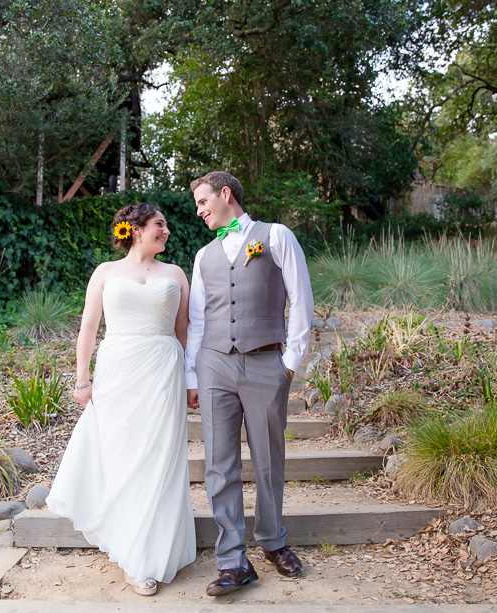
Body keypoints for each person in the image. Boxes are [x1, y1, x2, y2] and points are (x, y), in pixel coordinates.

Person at [46, 203, 196, 597]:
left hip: (163, 370)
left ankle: (149, 554)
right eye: (160, 224)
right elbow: (88, 328)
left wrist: (190, 378)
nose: (167, 231)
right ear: (136, 228)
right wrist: (82, 381)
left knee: (159, 458)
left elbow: (185, 332)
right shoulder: (106, 272)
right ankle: (129, 548)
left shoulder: (176, 274)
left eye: (165, 225)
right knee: (122, 456)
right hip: (118, 371)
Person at [185, 171, 314, 597]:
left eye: (203, 201)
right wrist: (193, 373)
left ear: (225, 195)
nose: (199, 210)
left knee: (268, 461)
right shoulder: (203, 255)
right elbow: (199, 320)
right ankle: (232, 561)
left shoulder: (276, 237)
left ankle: (273, 540)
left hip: (265, 363)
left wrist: (290, 362)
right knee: (219, 465)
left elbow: (301, 299)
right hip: (214, 366)